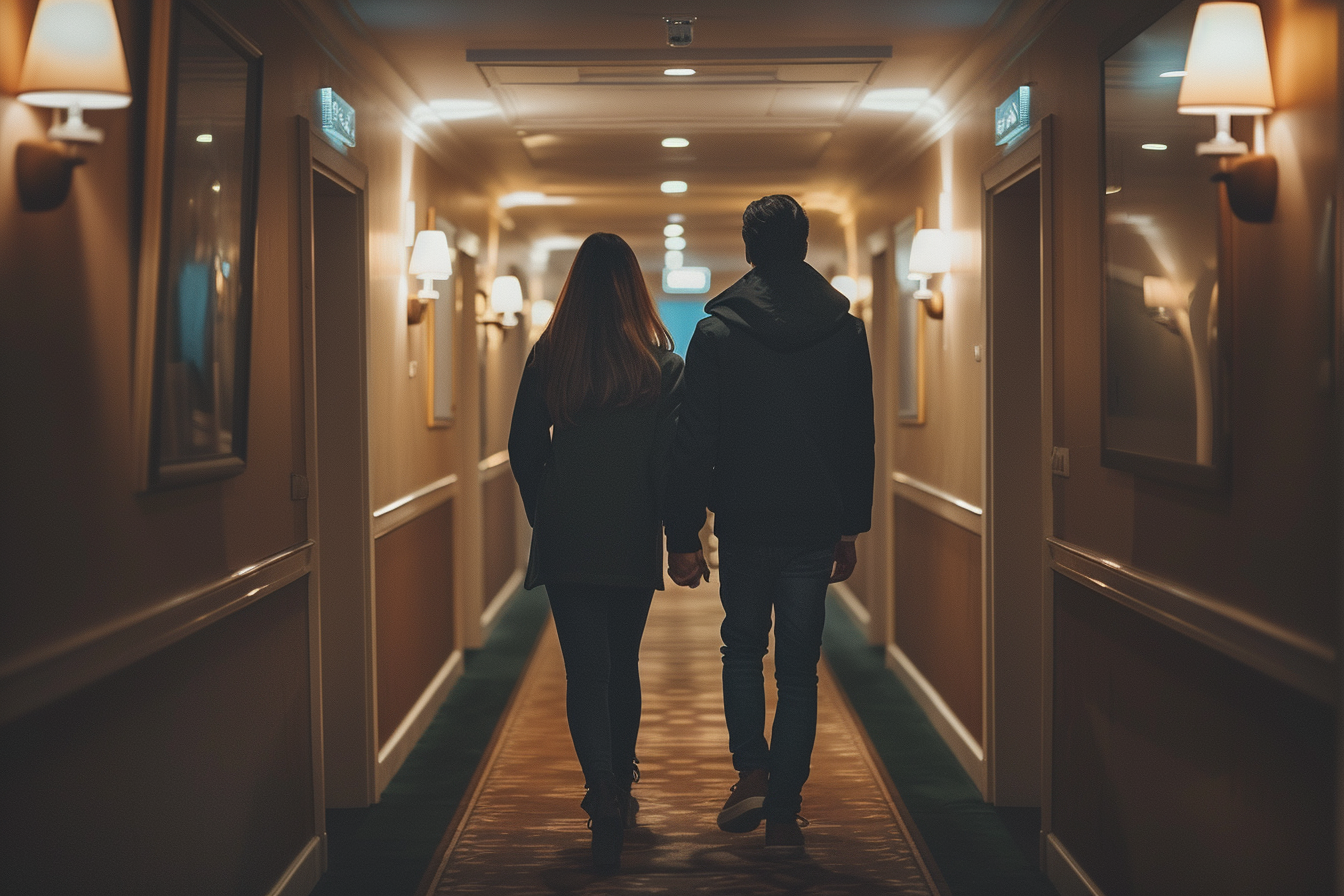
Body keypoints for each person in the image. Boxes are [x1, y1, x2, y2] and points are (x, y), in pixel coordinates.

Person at [664, 195, 875, 855]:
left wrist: (683, 534)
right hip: (814, 523)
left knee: (742, 651)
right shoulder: (845, 331)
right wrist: (850, 526)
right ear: (804, 245)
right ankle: (785, 810)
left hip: (747, 522)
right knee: (800, 671)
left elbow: (694, 441)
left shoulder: (719, 332)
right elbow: (857, 438)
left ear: (751, 249)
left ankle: (751, 771)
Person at [508, 232, 684, 871]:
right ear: (634, 287)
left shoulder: (550, 356)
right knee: (622, 661)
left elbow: (523, 445)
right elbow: (669, 461)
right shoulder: (662, 367)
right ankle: (622, 778)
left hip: (569, 532)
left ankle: (601, 784)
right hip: (631, 529)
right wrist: (677, 532)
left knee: (586, 666)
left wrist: (545, 512)